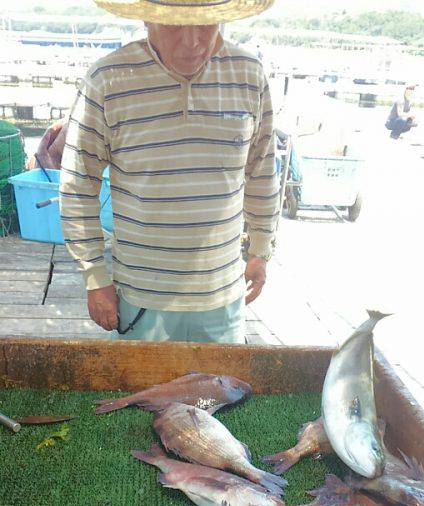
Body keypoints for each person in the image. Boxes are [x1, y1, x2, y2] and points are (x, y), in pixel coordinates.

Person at [60, 0, 279, 343]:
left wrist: (261, 249)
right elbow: (78, 186)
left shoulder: (249, 74)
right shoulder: (107, 79)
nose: (192, 42)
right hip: (141, 297)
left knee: (222, 393)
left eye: (205, 24)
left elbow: (262, 171)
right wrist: (95, 277)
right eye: (175, 25)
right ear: (146, 19)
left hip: (223, 294)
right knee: (139, 394)